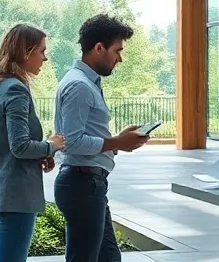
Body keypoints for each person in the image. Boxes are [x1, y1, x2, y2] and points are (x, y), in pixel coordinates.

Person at [54, 15, 152, 262]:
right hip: (82, 184)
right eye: (117, 51)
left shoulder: (87, 82)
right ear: (99, 48)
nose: (120, 58)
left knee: (109, 258)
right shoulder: (80, 86)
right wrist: (117, 142)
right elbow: (73, 142)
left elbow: (83, 137)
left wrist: (118, 142)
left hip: (89, 184)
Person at [0, 23, 68, 262]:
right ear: (25, 52)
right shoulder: (15, 90)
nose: (45, 58)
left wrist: (42, 153)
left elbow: (6, 145)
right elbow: (20, 147)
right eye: (41, 51)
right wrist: (52, 145)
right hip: (15, 196)